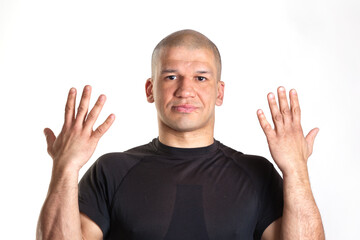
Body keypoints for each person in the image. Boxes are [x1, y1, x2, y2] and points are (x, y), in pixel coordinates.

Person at [36, 29, 325, 240]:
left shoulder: (257, 173)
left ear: (219, 92)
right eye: (171, 76)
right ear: (150, 89)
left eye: (201, 78)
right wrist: (66, 167)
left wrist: (296, 169)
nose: (185, 90)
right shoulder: (111, 172)